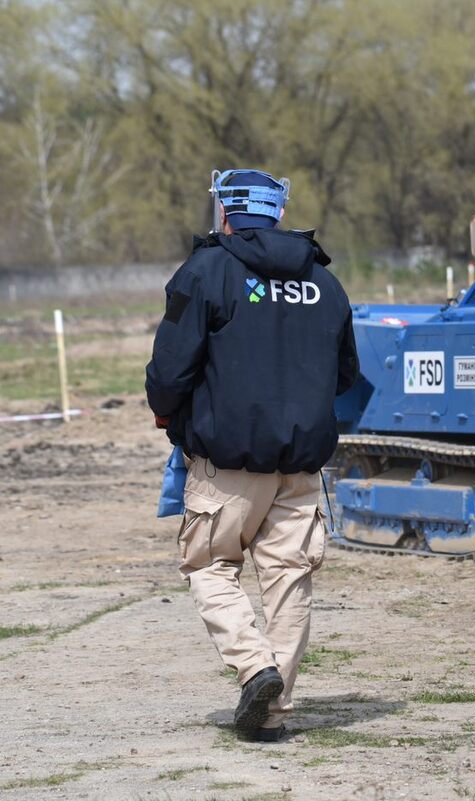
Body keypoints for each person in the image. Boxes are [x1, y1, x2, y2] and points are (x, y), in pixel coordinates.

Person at [146, 169, 358, 742]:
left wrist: (167, 413)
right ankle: (271, 711)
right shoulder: (325, 283)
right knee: (289, 579)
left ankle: (254, 667)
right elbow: (346, 375)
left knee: (210, 567)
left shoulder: (205, 271)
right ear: (280, 212)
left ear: (223, 212)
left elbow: (170, 371)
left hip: (226, 466)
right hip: (301, 469)